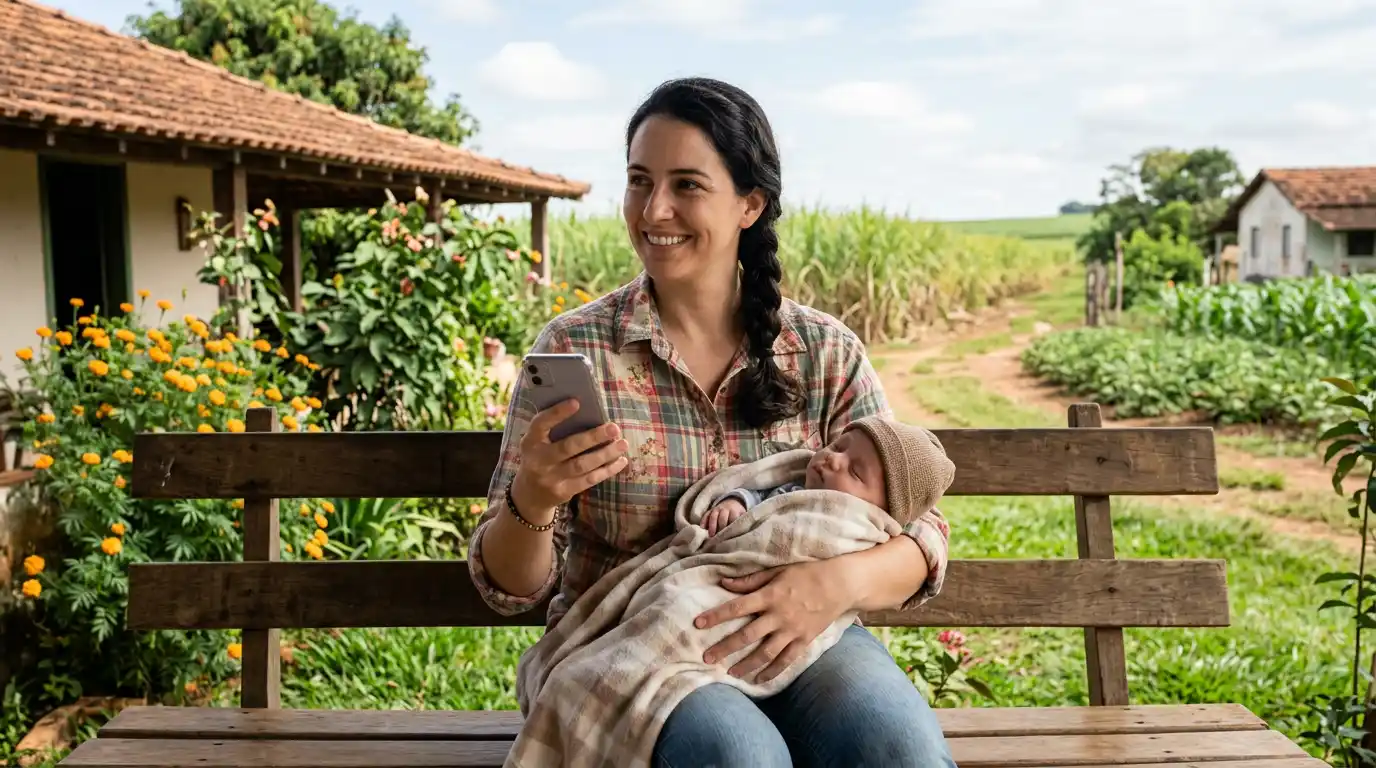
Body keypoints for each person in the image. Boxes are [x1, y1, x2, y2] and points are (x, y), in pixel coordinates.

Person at [467, 76, 956, 768]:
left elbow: (923, 527)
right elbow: (509, 588)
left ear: (749, 204)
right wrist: (534, 499)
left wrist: (829, 586)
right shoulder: (577, 351)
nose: (654, 208)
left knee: (894, 741)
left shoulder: (823, 352)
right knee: (736, 753)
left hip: (804, 630)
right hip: (635, 645)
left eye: (687, 185)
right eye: (639, 181)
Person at [702, 415, 954, 538]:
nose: (834, 459)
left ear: (882, 510)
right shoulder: (794, 491)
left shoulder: (864, 533)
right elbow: (761, 494)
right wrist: (738, 502)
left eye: (855, 471)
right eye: (837, 446)